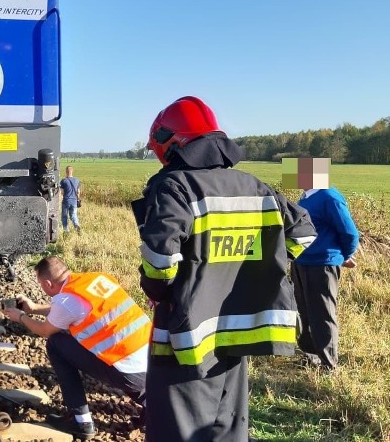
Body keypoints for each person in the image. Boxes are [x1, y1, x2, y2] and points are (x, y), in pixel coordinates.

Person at [133, 96, 316, 442]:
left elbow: (159, 262)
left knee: (178, 431)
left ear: (170, 144)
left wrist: (163, 289)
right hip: (237, 337)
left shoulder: (174, 188)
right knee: (227, 430)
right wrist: (256, 267)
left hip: (185, 339)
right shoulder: (255, 187)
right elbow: (304, 233)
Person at [0, 256, 150, 441]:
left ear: (47, 283)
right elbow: (68, 309)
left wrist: (21, 317)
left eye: (41, 284)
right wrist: (34, 308)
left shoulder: (67, 301)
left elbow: (45, 330)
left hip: (126, 370)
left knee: (55, 343)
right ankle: (152, 406)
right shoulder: (96, 279)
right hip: (153, 363)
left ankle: (81, 421)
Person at [292, 186, 359, 371]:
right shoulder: (306, 196)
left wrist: (344, 256)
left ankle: (328, 364)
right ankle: (311, 356)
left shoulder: (329, 196)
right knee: (304, 312)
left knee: (322, 314)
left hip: (322, 264)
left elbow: (350, 232)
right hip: (301, 261)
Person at [59, 165, 82, 232]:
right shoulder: (77, 180)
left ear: (66, 172)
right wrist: (77, 199)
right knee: (73, 215)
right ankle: (76, 225)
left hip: (66, 201)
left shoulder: (63, 181)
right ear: (72, 171)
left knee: (64, 217)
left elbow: (62, 192)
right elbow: (78, 192)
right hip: (74, 201)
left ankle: (66, 231)